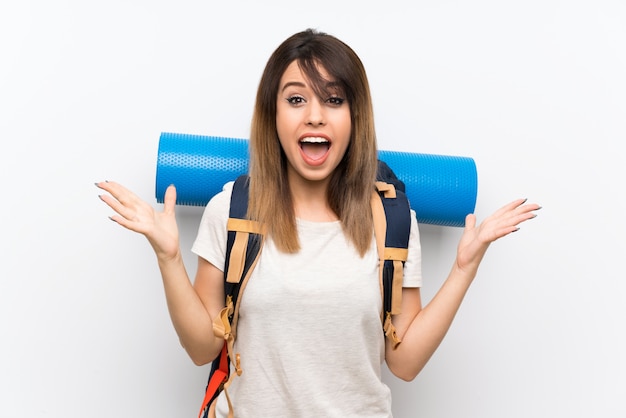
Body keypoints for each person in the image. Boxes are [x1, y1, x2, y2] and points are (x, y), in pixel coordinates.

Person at [96, 28, 540, 418]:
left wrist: (463, 270)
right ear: (273, 116)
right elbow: (201, 349)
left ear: (354, 117)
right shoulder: (232, 208)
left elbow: (403, 363)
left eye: (333, 99)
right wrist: (169, 258)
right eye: (295, 99)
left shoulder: (392, 217)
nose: (314, 115)